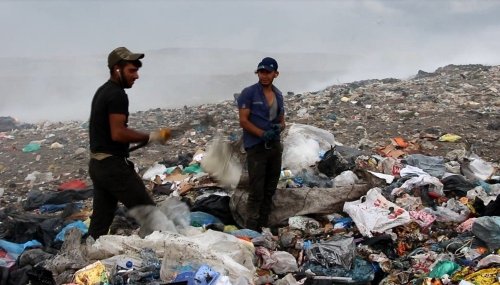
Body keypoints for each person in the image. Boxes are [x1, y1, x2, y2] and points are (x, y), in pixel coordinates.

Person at [88, 47, 171, 239]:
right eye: (132, 71)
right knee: (152, 216)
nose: (137, 76)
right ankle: (164, 256)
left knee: (100, 223)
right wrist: (151, 136)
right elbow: (118, 133)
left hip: (98, 165)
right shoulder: (117, 94)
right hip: (113, 168)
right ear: (117, 69)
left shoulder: (103, 91)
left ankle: (85, 258)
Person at [236, 57, 285, 231]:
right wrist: (262, 134)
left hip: (274, 147)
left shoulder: (278, 95)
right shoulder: (249, 93)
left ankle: (264, 226)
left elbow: (282, 120)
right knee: (256, 191)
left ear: (275, 74)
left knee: (270, 189)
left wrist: (278, 128)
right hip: (256, 148)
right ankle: (251, 230)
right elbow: (244, 120)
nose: (264, 76)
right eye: (261, 72)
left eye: (267, 72)